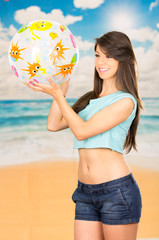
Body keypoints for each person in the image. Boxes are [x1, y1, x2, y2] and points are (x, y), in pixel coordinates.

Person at [27, 31, 144, 240]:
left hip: (116, 191)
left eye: (109, 56)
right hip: (85, 192)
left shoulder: (126, 101)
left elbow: (81, 132)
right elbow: (54, 124)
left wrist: (57, 96)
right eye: (98, 55)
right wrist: (62, 90)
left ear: (124, 59)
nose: (101, 62)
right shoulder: (90, 99)